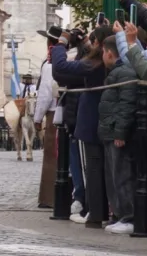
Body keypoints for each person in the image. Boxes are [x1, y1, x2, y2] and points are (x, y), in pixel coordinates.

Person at [52, 25, 110, 225]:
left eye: (93, 41)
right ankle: (99, 211)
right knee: (102, 169)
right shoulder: (106, 60)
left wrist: (61, 43)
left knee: (90, 169)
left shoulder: (96, 63)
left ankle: (93, 212)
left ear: (100, 45)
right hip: (103, 121)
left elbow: (60, 68)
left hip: (90, 122)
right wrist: (85, 42)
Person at [99, 23, 138, 234]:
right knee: (114, 175)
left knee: (121, 175)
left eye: (104, 52)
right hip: (110, 130)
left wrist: (120, 132)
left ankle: (128, 216)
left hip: (116, 132)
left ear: (109, 53)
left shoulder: (124, 73)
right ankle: (120, 214)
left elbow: (126, 104)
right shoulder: (118, 71)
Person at [33, 28, 60, 209]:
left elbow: (45, 94)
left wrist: (37, 117)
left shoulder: (49, 64)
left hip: (52, 114)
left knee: (51, 156)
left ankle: (48, 198)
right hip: (64, 111)